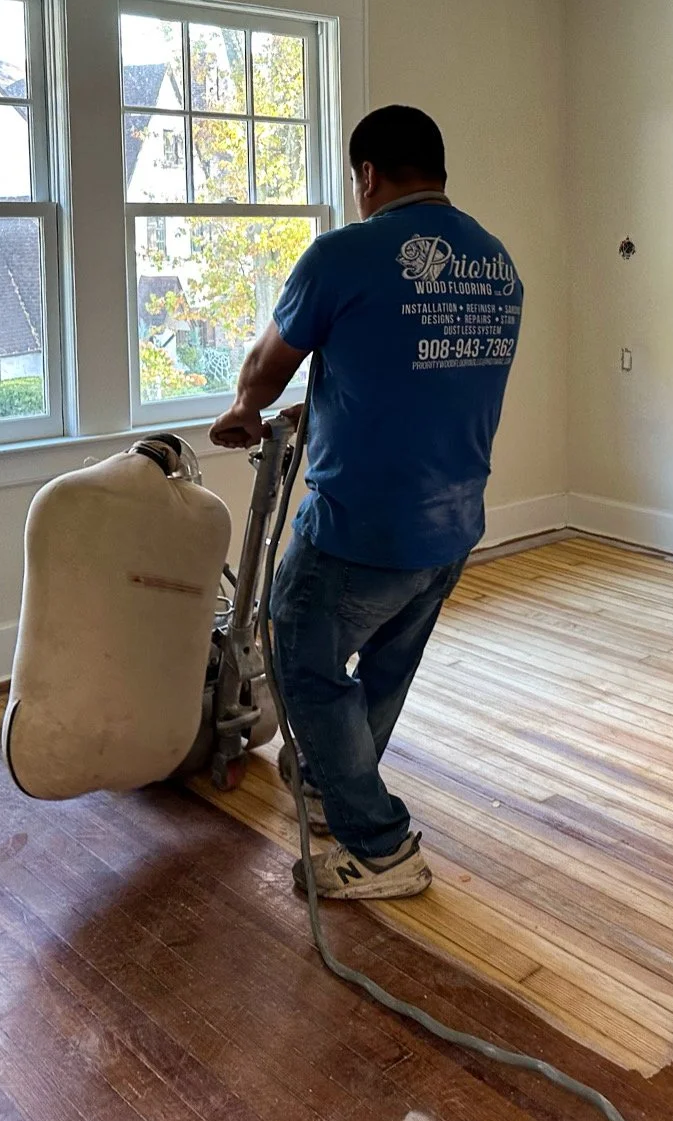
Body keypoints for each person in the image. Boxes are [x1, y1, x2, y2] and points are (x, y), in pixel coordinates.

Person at [209, 105, 523, 901]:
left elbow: (267, 365)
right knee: (386, 669)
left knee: (301, 657)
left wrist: (245, 410)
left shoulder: (344, 255)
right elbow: (418, 376)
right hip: (453, 525)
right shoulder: (497, 264)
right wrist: (323, 413)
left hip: (360, 526)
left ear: (368, 175)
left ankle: (380, 847)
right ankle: (328, 787)